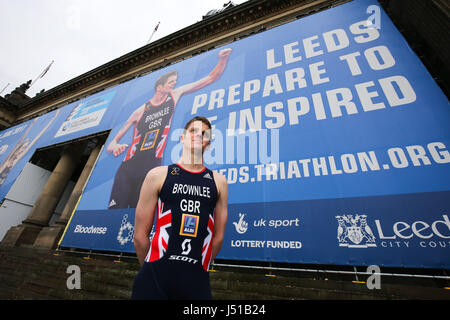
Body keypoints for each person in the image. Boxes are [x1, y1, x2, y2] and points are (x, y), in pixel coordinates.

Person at [106, 48, 232, 209]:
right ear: (160, 86)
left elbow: (211, 77)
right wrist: (115, 145)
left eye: (175, 81)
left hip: (152, 167)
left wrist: (222, 60)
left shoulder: (174, 95)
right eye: (171, 81)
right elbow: (112, 143)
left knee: (140, 215)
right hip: (128, 168)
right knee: (115, 213)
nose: (174, 84)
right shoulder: (139, 112)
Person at [131, 116, 228, 300]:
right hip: (153, 279)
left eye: (204, 133)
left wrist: (198, 267)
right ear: (182, 138)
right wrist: (152, 269)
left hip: (196, 282)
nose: (198, 135)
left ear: (208, 143)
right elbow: (139, 236)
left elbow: (218, 238)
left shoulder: (219, 182)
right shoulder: (158, 175)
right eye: (193, 131)